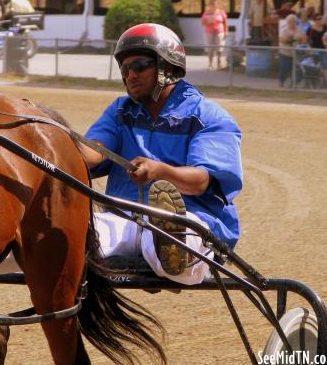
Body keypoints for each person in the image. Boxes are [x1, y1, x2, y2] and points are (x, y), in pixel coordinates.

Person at [81, 23, 243, 285]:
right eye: (125, 68)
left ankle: (171, 244)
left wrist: (159, 172)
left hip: (195, 224)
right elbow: (93, 153)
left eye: (140, 66)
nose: (130, 75)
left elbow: (200, 181)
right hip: (124, 220)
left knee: (169, 234)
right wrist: (51, 142)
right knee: (69, 234)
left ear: (168, 67)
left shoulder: (209, 117)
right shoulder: (121, 110)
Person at [278, 14, 307, 88]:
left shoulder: (299, 29)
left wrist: (296, 41)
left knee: (295, 69)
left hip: (296, 53)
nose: (292, 23)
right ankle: (281, 81)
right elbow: (282, 40)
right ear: (287, 22)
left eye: (293, 21)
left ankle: (293, 84)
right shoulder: (284, 30)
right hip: (285, 52)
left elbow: (303, 39)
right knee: (285, 67)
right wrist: (292, 40)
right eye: (290, 21)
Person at [201, 0, 228, 69]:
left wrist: (226, 31)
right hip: (209, 32)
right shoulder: (206, 13)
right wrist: (209, 23)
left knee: (219, 48)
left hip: (219, 32)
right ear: (210, 5)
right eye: (212, 4)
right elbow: (203, 23)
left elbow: (225, 23)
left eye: (216, 4)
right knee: (210, 49)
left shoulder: (221, 12)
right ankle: (210, 64)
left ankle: (219, 64)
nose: (214, 5)